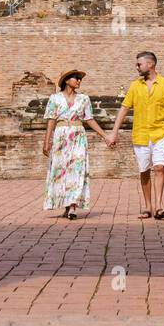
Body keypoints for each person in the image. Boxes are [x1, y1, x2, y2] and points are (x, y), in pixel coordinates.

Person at [107, 51, 164, 220]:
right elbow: (124, 108)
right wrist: (114, 132)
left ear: (150, 64)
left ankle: (159, 206)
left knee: (159, 168)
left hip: (160, 133)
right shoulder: (135, 86)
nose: (137, 67)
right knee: (144, 170)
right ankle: (148, 207)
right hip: (140, 134)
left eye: (139, 64)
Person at [43, 69, 110, 219]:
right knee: (61, 170)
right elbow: (51, 120)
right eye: (76, 78)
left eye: (80, 79)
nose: (79, 81)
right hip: (60, 136)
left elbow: (90, 119)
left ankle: (73, 206)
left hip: (78, 136)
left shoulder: (84, 99)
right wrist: (46, 141)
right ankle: (67, 207)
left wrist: (105, 136)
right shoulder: (55, 98)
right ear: (67, 80)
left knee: (77, 169)